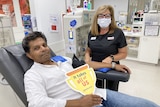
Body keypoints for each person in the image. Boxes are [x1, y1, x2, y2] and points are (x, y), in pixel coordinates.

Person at [23, 31, 159, 107]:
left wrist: (113, 65)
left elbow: (87, 65)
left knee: (149, 106)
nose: (43, 49)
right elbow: (36, 103)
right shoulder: (33, 75)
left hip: (98, 94)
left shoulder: (62, 60)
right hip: (78, 104)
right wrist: (79, 103)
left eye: (44, 45)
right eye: (36, 48)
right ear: (29, 55)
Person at [85, 5, 128, 89]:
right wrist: (87, 55)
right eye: (101, 15)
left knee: (111, 93)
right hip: (95, 67)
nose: (104, 18)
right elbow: (89, 49)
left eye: (107, 15)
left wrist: (111, 58)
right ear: (96, 18)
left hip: (112, 68)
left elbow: (124, 53)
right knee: (96, 92)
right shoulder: (92, 33)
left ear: (111, 18)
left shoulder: (117, 33)